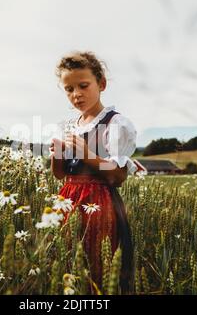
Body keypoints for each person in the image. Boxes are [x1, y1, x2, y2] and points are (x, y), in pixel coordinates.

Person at [49, 51, 138, 294]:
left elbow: (117, 176)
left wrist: (86, 153)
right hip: (68, 199)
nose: (76, 94)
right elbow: (60, 175)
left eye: (83, 85)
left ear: (102, 84)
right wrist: (56, 155)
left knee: (96, 263)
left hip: (98, 204)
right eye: (69, 89)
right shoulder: (68, 126)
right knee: (67, 259)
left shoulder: (114, 123)